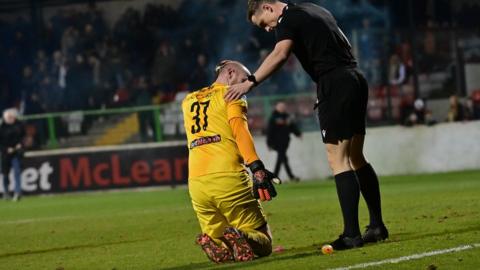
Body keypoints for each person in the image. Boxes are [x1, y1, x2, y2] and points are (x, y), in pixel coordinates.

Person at [225, 0, 389, 250]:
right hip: (354, 77)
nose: (268, 30)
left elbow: (280, 54)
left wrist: (251, 82)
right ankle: (376, 226)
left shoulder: (287, 19)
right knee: (356, 156)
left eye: (263, 24)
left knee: (338, 160)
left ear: (268, 8)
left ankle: (351, 234)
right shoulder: (314, 9)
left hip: (334, 82)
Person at [181, 60, 280, 263]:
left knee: (222, 241)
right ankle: (242, 235)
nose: (246, 86)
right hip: (228, 177)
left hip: (197, 183)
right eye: (244, 80)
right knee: (264, 241)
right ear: (231, 73)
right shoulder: (232, 95)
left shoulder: (188, 101)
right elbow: (239, 131)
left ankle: (218, 244)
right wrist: (256, 167)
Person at [266, 101, 301, 181]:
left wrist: (298, 134)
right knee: (282, 158)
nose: (282, 108)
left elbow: (292, 127)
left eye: (283, 107)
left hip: (285, 141)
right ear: (276, 108)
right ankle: (287, 177)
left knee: (282, 158)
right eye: (280, 107)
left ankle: (277, 177)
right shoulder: (273, 117)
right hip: (277, 142)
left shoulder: (287, 117)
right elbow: (269, 131)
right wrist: (269, 143)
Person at [0, 108, 26, 201]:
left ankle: (17, 192)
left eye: (12, 117)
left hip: (16, 153)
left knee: (17, 172)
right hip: (5, 154)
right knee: (5, 174)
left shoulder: (19, 125)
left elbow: (23, 137)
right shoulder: (2, 127)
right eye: (9, 117)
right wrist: (6, 149)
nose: (11, 119)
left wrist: (20, 144)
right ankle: (6, 192)